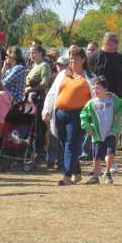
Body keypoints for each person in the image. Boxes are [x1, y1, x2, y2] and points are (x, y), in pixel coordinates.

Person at [44, 46, 96, 186]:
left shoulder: (90, 78)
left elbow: (97, 98)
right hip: (60, 113)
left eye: (76, 58)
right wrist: (47, 110)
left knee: (71, 146)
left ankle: (67, 176)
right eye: (71, 58)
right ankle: (77, 173)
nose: (72, 61)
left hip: (78, 115)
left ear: (83, 60)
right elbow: (52, 93)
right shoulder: (63, 74)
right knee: (64, 143)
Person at [87, 32, 122, 156]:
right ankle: (96, 155)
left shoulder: (120, 58)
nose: (117, 44)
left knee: (114, 128)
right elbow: (86, 78)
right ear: (107, 41)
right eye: (115, 41)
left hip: (115, 99)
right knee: (97, 127)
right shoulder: (94, 57)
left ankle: (110, 155)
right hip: (97, 100)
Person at [80, 77, 122, 185]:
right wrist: (88, 127)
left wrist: (118, 114)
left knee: (111, 152)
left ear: (105, 89)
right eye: (94, 88)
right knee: (96, 156)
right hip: (97, 133)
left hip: (111, 131)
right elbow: (83, 115)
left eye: (98, 88)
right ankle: (95, 176)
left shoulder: (113, 99)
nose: (95, 90)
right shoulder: (91, 103)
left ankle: (107, 172)